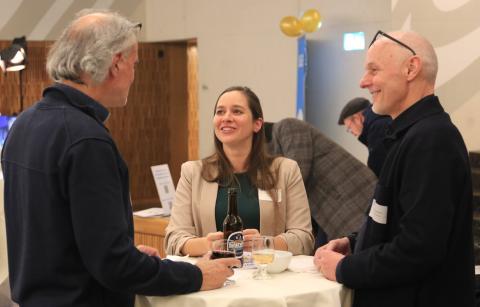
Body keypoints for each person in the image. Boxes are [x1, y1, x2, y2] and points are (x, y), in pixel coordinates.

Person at [1, 10, 238, 307]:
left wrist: (127, 253)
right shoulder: (87, 140)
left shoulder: (23, 124)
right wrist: (196, 275)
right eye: (135, 63)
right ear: (116, 64)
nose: (134, 75)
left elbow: (56, 236)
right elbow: (114, 267)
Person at [314, 30, 475, 307]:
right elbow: (399, 219)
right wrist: (356, 242)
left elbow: (418, 250)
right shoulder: (408, 136)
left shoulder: (431, 140)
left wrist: (343, 269)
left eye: (373, 70)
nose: (363, 82)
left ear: (411, 68)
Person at [165, 86, 314, 257]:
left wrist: (265, 243)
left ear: (257, 124)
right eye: (220, 112)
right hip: (213, 277)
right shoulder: (192, 172)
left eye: (237, 111)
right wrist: (207, 245)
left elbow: (304, 239)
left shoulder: (286, 171)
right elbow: (174, 239)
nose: (226, 118)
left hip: (269, 277)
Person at [264, 118, 377, 248]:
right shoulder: (274, 145)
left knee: (365, 247)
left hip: (351, 195)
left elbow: (299, 171)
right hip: (331, 206)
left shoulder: (288, 126)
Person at [338, 97, 391, 177]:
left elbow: (379, 172)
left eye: (349, 127)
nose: (351, 132)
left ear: (357, 118)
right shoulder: (383, 120)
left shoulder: (376, 130)